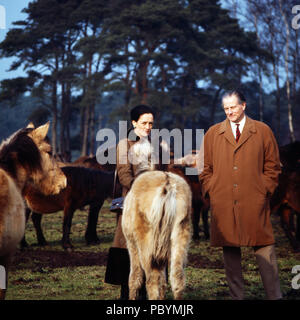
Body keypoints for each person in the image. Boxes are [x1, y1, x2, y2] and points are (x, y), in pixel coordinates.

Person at [199, 89, 282, 300]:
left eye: (233, 107)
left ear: (243, 106)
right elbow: (204, 167)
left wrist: (264, 190)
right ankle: (237, 297)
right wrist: (212, 189)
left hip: (255, 200)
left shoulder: (263, 131)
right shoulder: (212, 133)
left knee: (265, 250)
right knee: (230, 255)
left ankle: (275, 296)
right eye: (225, 108)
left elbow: (273, 167)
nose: (229, 112)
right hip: (224, 201)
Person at [104, 104, 157, 300]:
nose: (148, 126)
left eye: (151, 123)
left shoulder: (156, 145)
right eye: (144, 122)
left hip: (155, 209)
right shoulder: (124, 145)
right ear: (134, 122)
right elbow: (124, 176)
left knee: (151, 254)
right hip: (133, 206)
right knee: (129, 254)